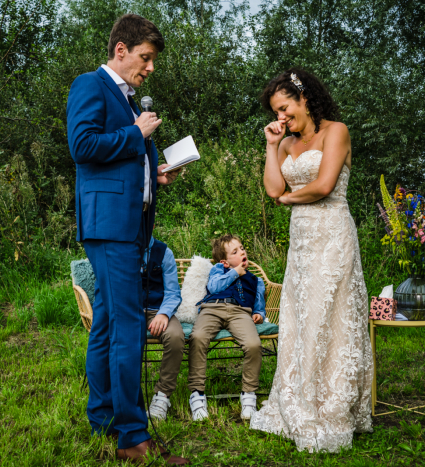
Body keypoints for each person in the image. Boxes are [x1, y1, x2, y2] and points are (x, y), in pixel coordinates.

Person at [66, 14, 187, 465]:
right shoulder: (90, 86)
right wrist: (136, 134)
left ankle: (102, 418)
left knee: (106, 325)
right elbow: (82, 146)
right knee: (129, 326)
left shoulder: (127, 99)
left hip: (126, 225)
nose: (150, 67)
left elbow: (117, 160)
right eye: (145, 57)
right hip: (110, 227)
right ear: (121, 50)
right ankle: (133, 438)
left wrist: (154, 175)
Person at [249, 68, 373, 453]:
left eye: (284, 109)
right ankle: (301, 398)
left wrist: (289, 199)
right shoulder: (286, 144)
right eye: (275, 112)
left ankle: (333, 406)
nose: (281, 118)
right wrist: (272, 146)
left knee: (330, 315)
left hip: (333, 235)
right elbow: (273, 187)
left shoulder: (336, 131)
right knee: (300, 316)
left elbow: (323, 186)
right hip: (301, 243)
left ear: (304, 97)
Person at [188, 235, 266, 421]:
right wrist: (234, 272)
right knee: (198, 337)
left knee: (254, 345)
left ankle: (248, 395)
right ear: (225, 261)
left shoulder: (256, 280)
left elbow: (259, 302)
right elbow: (214, 287)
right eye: (235, 251)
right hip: (212, 309)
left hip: (240, 312)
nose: (242, 252)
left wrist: (259, 313)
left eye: (242, 248)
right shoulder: (218, 269)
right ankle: (197, 394)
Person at [142, 235, 184, 420]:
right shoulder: (123, 249)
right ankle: (129, 396)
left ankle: (162, 396)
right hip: (130, 309)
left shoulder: (164, 252)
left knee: (175, 337)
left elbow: (173, 292)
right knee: (124, 339)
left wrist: (163, 314)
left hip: (158, 309)